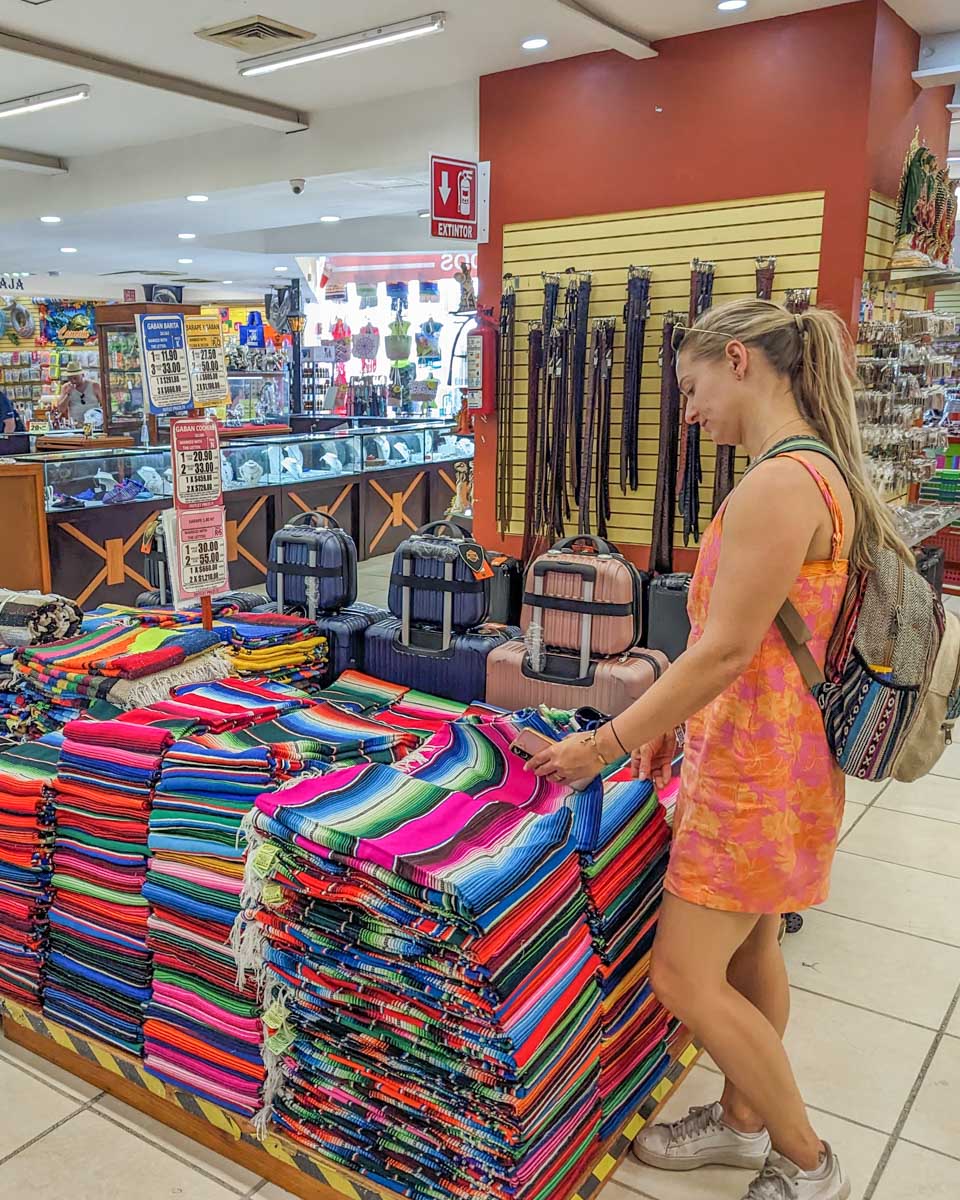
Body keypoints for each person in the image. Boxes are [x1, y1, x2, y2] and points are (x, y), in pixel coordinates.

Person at [528, 298, 913, 1200]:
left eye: (692, 388)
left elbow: (727, 649)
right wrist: (673, 730)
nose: (690, 413)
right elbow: (756, 651)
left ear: (738, 360)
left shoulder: (780, 485)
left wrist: (613, 741)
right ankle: (742, 1126)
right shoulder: (815, 471)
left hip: (757, 776)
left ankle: (806, 1159)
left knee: (682, 975)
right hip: (774, 760)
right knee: (751, 959)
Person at [56, 361, 103, 428]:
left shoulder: (95, 386)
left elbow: (104, 406)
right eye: (70, 378)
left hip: (95, 425)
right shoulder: (65, 387)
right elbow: (61, 409)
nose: (73, 381)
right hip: (75, 426)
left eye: (75, 378)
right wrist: (68, 394)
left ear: (82, 375)